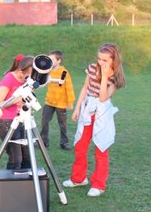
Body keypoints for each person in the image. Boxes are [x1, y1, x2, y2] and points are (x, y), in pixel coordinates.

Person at [63, 43, 126, 197]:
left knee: (101, 149)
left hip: (102, 112)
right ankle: (79, 178)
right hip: (87, 109)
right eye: (99, 59)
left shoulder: (116, 77)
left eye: (105, 60)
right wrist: (78, 108)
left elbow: (103, 97)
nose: (100, 63)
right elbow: (85, 88)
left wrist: (104, 77)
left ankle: (99, 184)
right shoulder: (92, 68)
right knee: (80, 146)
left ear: (113, 60)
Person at [0, 54, 34, 170]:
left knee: (27, 158)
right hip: (6, 123)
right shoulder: (9, 78)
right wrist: (16, 100)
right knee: (16, 158)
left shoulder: (26, 79)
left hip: (20, 120)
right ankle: (11, 186)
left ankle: (26, 185)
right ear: (21, 71)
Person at [40, 50, 75, 150]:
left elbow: (69, 87)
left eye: (52, 60)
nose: (49, 61)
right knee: (44, 121)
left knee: (62, 124)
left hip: (61, 103)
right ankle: (43, 141)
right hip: (49, 102)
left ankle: (64, 143)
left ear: (59, 60)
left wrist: (70, 102)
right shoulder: (48, 71)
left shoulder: (64, 72)